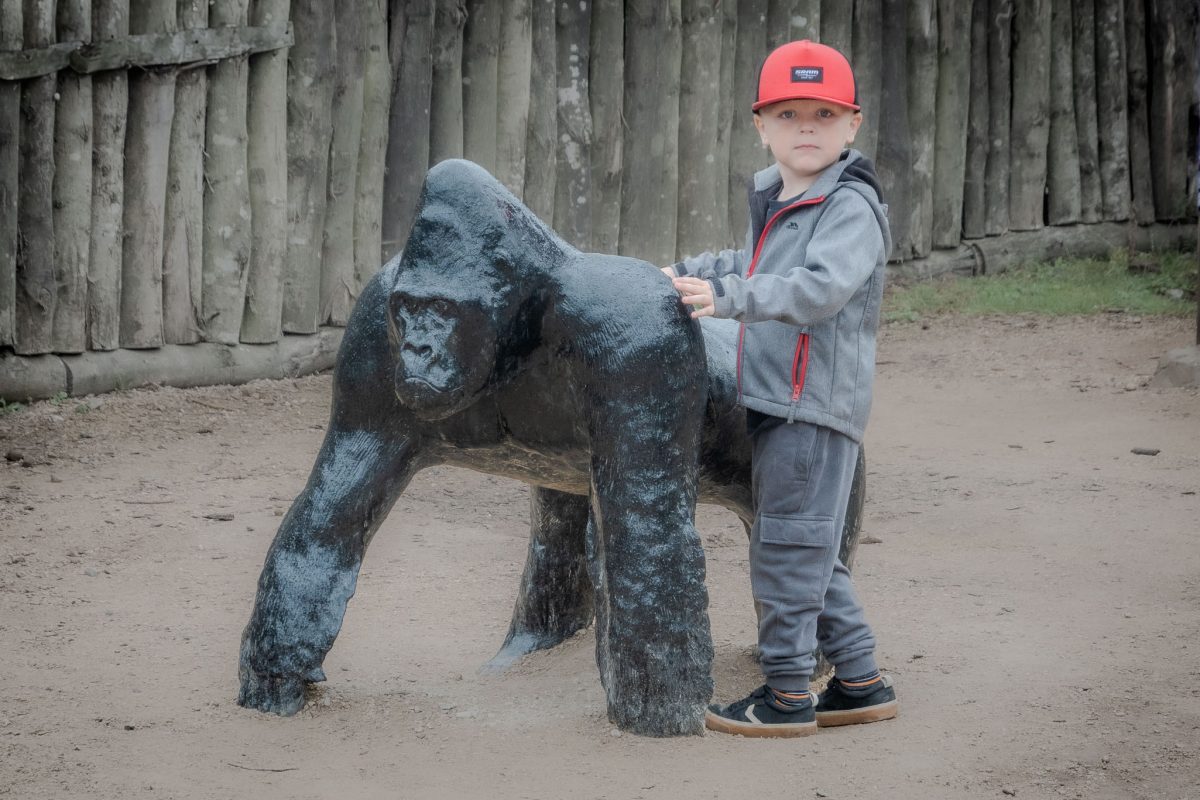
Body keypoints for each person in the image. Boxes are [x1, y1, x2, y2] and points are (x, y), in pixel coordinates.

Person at [664, 39, 898, 737]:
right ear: (760, 124)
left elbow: (817, 288)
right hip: (782, 400)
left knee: (785, 551)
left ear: (851, 125)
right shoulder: (783, 199)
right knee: (807, 548)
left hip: (811, 408)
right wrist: (685, 272)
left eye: (823, 114)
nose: (806, 127)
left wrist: (728, 296)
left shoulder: (851, 207)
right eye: (789, 112)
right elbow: (753, 260)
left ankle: (789, 694)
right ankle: (859, 681)